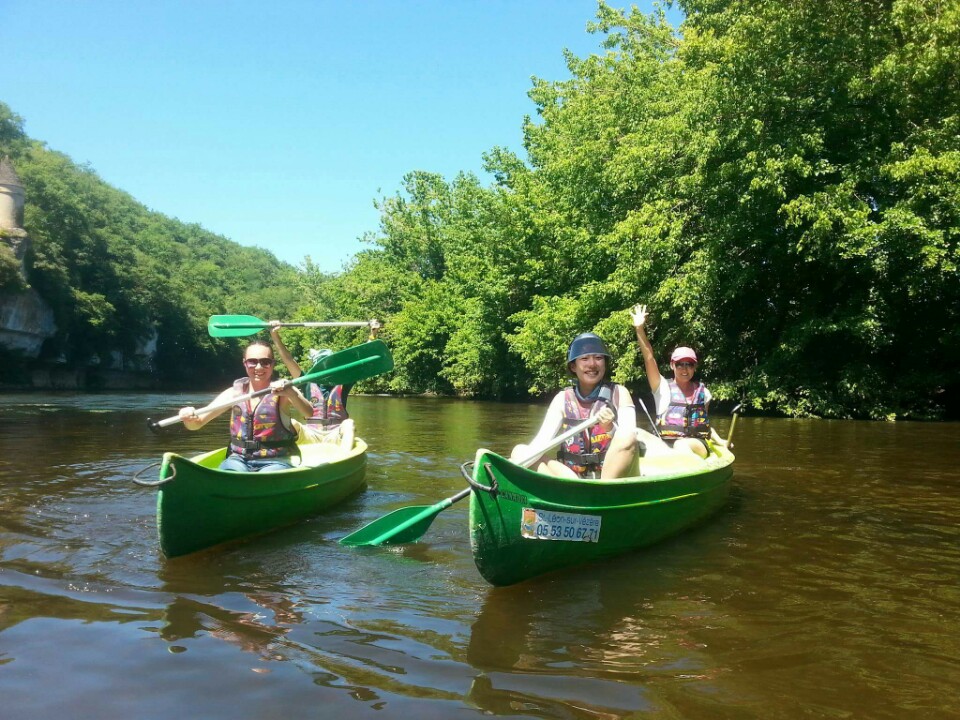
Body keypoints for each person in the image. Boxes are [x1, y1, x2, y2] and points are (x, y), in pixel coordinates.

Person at [510, 332, 638, 479]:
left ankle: (602, 494)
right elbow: (539, 444)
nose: (592, 364)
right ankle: (563, 491)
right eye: (584, 358)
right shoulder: (562, 399)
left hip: (611, 479)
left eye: (598, 358)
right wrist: (511, 466)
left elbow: (629, 442)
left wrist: (609, 428)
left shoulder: (620, 393)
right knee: (519, 451)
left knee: (627, 437)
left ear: (605, 363)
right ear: (573, 366)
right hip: (573, 479)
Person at [177, 341, 314, 471]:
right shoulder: (234, 393)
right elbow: (197, 424)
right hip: (238, 459)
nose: (259, 367)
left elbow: (309, 413)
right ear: (245, 363)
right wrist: (189, 418)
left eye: (265, 362)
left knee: (265, 477)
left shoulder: (285, 390)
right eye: (252, 362)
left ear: (272, 364)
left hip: (276, 460)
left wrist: (291, 393)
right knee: (231, 472)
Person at [268, 321, 381, 451]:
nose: (326, 369)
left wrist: (373, 334)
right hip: (312, 433)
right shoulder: (305, 381)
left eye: (329, 365)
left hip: (336, 433)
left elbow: (363, 361)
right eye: (322, 366)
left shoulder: (344, 382)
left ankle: (343, 460)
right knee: (291, 423)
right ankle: (280, 455)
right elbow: (288, 359)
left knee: (349, 424)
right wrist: (275, 335)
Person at [631, 304, 723, 458]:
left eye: (689, 364)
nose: (684, 369)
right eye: (680, 364)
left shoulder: (704, 393)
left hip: (695, 445)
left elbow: (704, 425)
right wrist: (639, 329)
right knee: (636, 434)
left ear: (695, 367)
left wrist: (720, 441)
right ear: (672, 365)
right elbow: (649, 358)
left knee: (682, 444)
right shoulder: (661, 388)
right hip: (666, 447)